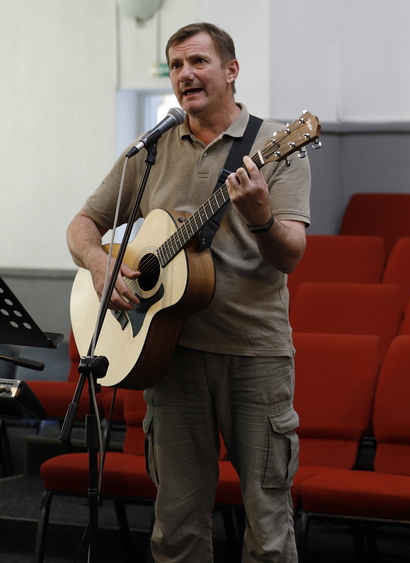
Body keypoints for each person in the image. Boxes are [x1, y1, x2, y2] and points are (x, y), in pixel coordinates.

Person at [66, 23, 310, 562]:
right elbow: (83, 223)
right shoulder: (151, 150)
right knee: (175, 526)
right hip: (167, 355)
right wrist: (100, 263)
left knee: (268, 526)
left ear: (231, 70)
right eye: (176, 65)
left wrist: (262, 218)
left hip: (253, 354)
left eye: (198, 61)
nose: (185, 74)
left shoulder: (278, 146)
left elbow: (291, 254)